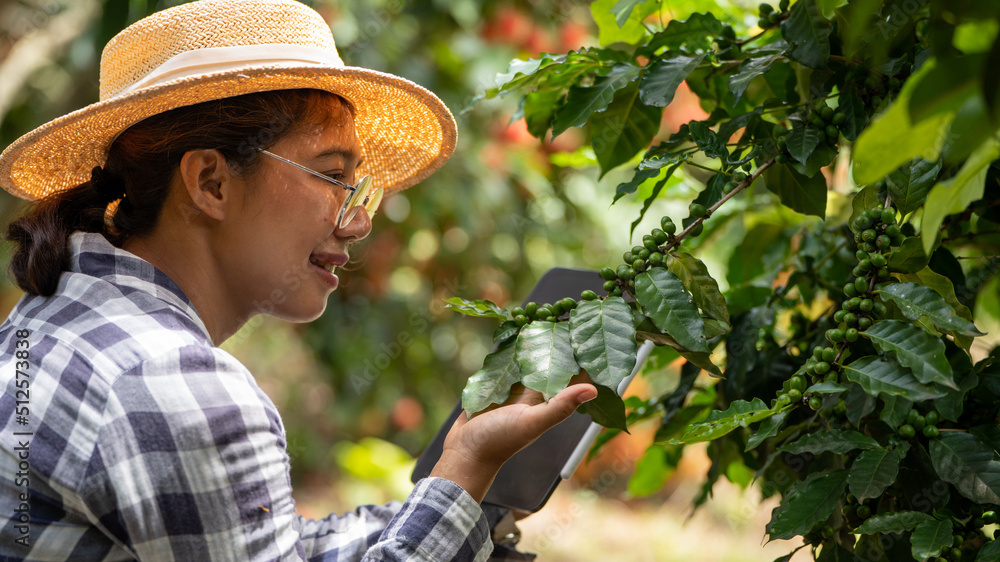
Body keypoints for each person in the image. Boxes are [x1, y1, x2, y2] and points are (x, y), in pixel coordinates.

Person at [0, 1, 596, 560]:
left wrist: (461, 502)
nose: (359, 222)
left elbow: (250, 539)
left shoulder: (50, 320)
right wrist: (463, 470)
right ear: (211, 182)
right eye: (334, 178)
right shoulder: (173, 383)